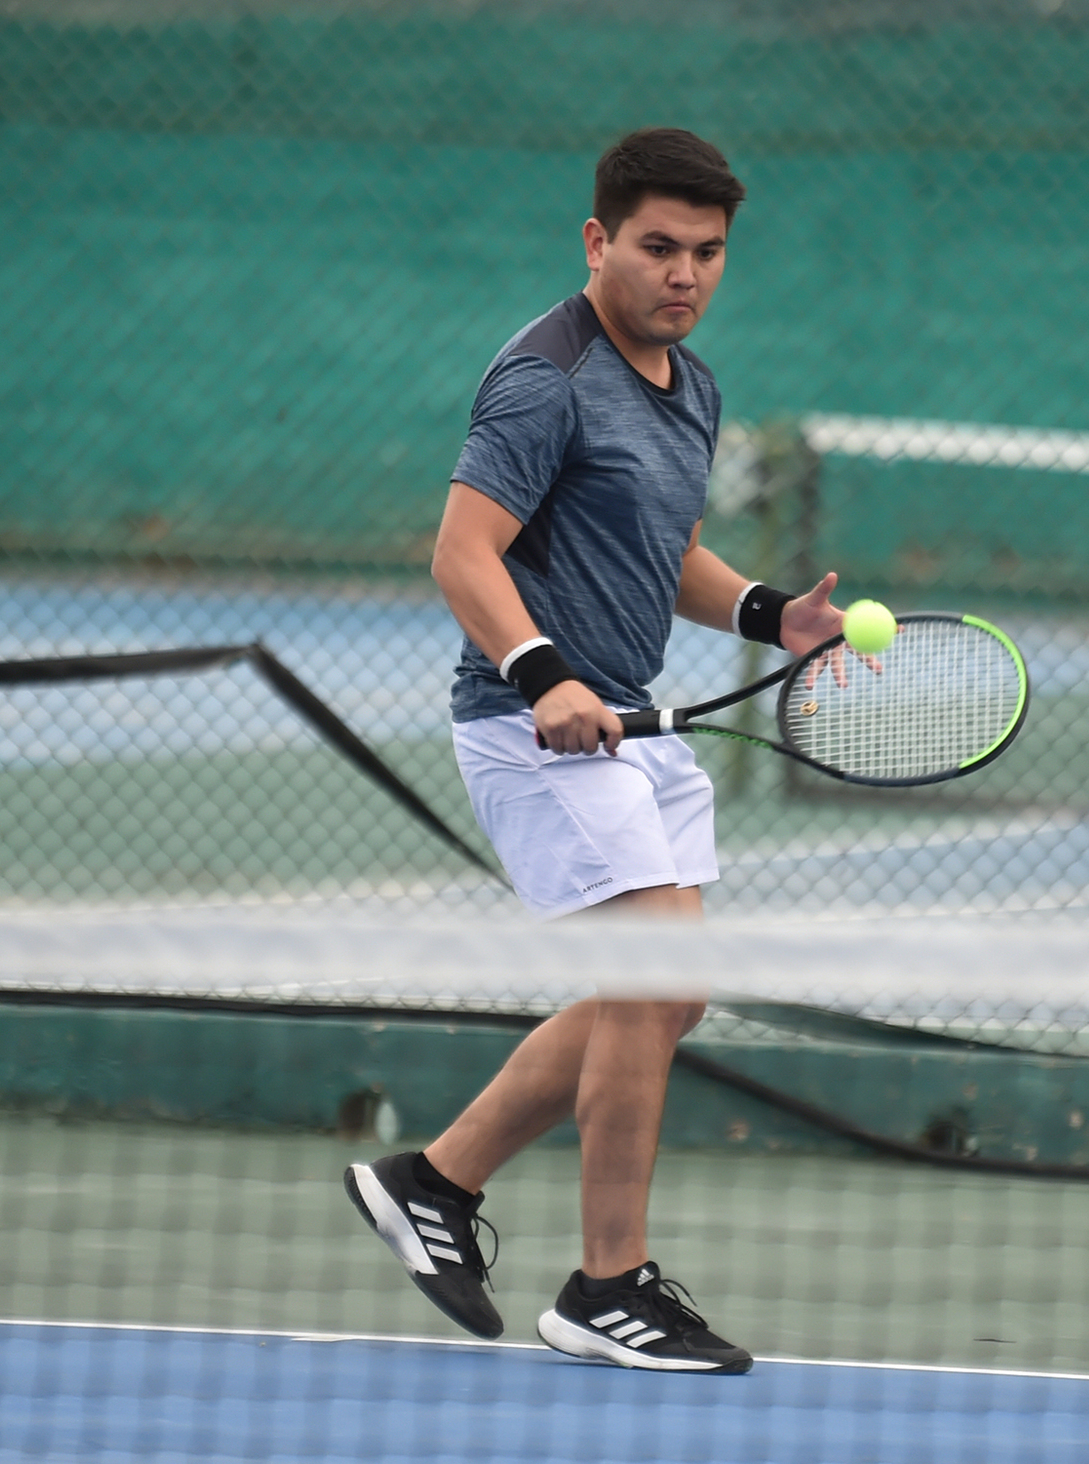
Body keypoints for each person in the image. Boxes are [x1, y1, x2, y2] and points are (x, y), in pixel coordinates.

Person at [343, 129, 848, 1375]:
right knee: (651, 978)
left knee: (667, 995)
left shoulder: (696, 386)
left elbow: (661, 548)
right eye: (659, 247)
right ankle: (607, 1285)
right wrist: (542, 671)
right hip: (536, 727)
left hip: (628, 722)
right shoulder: (545, 379)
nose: (685, 274)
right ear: (599, 241)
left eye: (708, 253)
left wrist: (765, 613)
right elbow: (463, 553)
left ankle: (436, 1182)